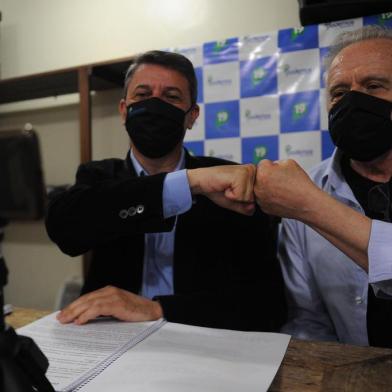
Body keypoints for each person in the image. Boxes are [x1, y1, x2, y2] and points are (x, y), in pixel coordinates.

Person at [46, 50, 286, 331]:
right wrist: (188, 184)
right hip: (110, 340)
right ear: (124, 110)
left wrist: (157, 309)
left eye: (171, 97)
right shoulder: (99, 176)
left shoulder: (231, 183)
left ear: (191, 116)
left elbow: (267, 304)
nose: (154, 105)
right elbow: (65, 229)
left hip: (200, 340)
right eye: (143, 94)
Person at [254, 25, 392, 347]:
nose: (354, 101)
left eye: (374, 86)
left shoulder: (301, 197)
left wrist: (309, 205)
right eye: (340, 93)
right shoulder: (307, 188)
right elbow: (307, 319)